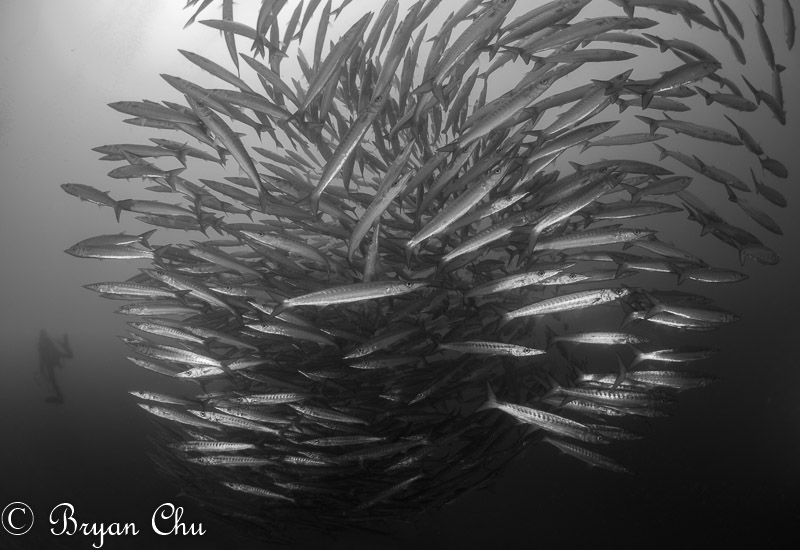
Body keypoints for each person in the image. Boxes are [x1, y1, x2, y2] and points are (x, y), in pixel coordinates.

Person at [36, 330, 73, 404]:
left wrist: (41, 368)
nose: (42, 336)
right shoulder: (45, 341)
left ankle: (59, 396)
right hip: (53, 359)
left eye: (42, 335)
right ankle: (59, 396)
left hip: (51, 360)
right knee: (70, 356)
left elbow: (42, 357)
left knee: (52, 380)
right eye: (43, 335)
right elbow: (43, 356)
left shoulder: (42, 343)